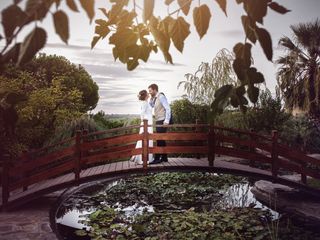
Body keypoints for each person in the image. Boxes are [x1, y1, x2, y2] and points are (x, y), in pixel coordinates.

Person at [148, 83, 172, 164]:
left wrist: (166, 121)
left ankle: (157, 158)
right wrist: (151, 98)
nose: (149, 92)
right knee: (161, 139)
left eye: (150, 91)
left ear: (155, 90)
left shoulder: (161, 96)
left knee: (159, 139)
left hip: (162, 121)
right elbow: (150, 106)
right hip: (158, 120)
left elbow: (168, 108)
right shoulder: (154, 98)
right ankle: (164, 158)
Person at [130, 90, 153, 164]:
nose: (149, 94)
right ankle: (143, 159)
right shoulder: (145, 103)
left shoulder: (146, 102)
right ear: (146, 95)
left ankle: (147, 158)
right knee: (146, 138)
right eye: (148, 93)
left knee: (148, 138)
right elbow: (142, 113)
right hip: (147, 123)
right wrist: (144, 121)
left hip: (148, 122)